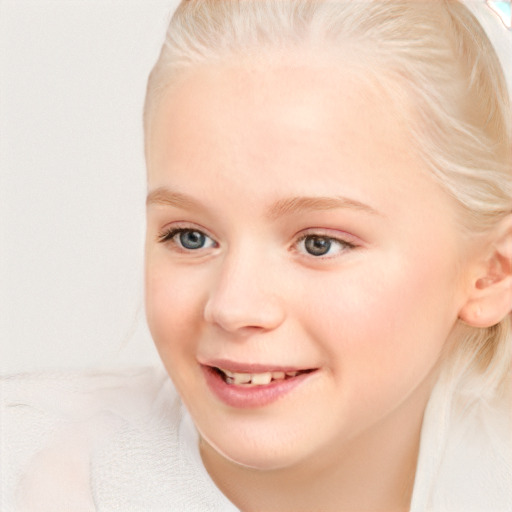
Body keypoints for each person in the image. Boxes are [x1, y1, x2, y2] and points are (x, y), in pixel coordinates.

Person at [2, 1, 511, 511]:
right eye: (190, 237)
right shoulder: (32, 473)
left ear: (492, 272)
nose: (233, 306)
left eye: (319, 243)